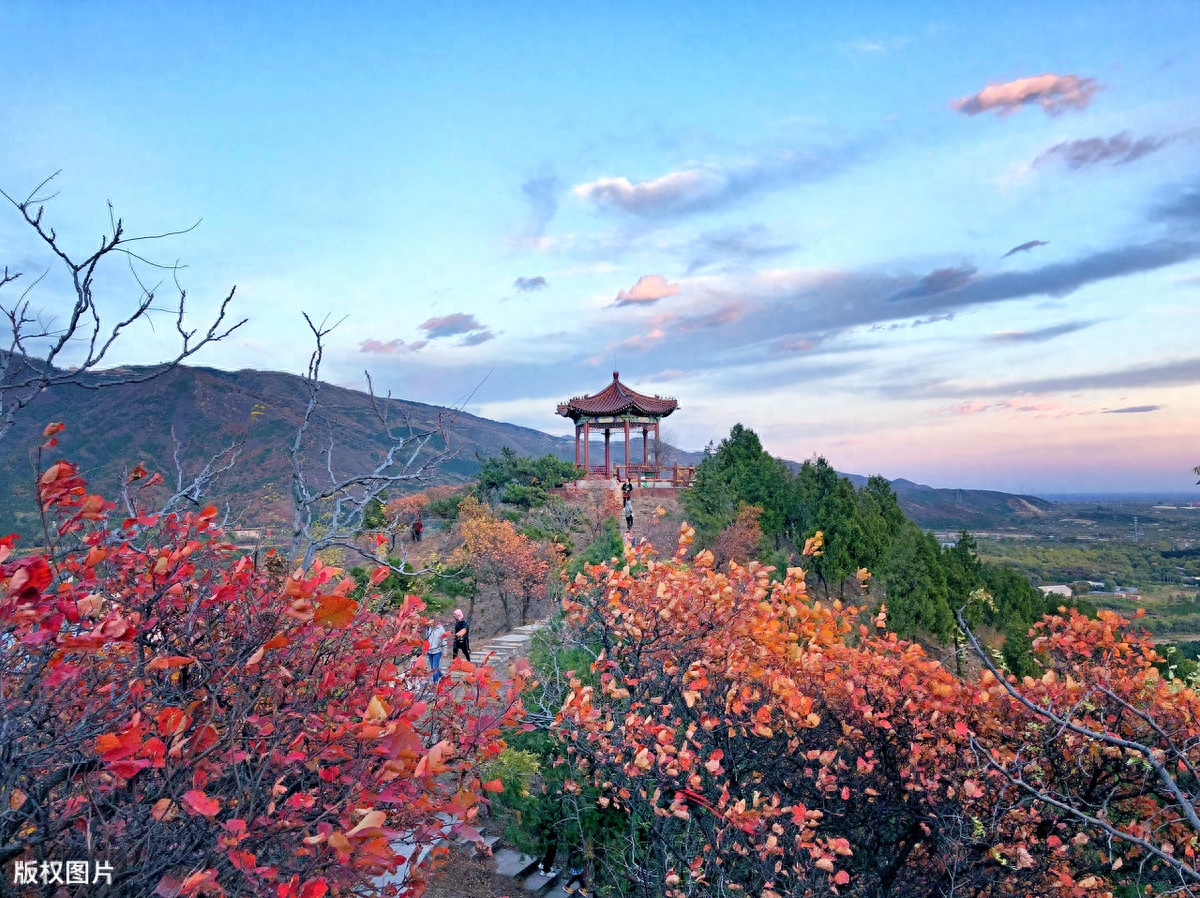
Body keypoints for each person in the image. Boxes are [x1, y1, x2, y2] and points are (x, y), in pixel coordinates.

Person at [426, 619, 447, 685]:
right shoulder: (428, 629)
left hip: (437, 651)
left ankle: (436, 683)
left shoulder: (440, 629)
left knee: (434, 668)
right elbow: (427, 639)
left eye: (432, 623)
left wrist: (445, 652)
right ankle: (442, 676)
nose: (430, 624)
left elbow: (444, 640)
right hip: (430, 651)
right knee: (433, 668)